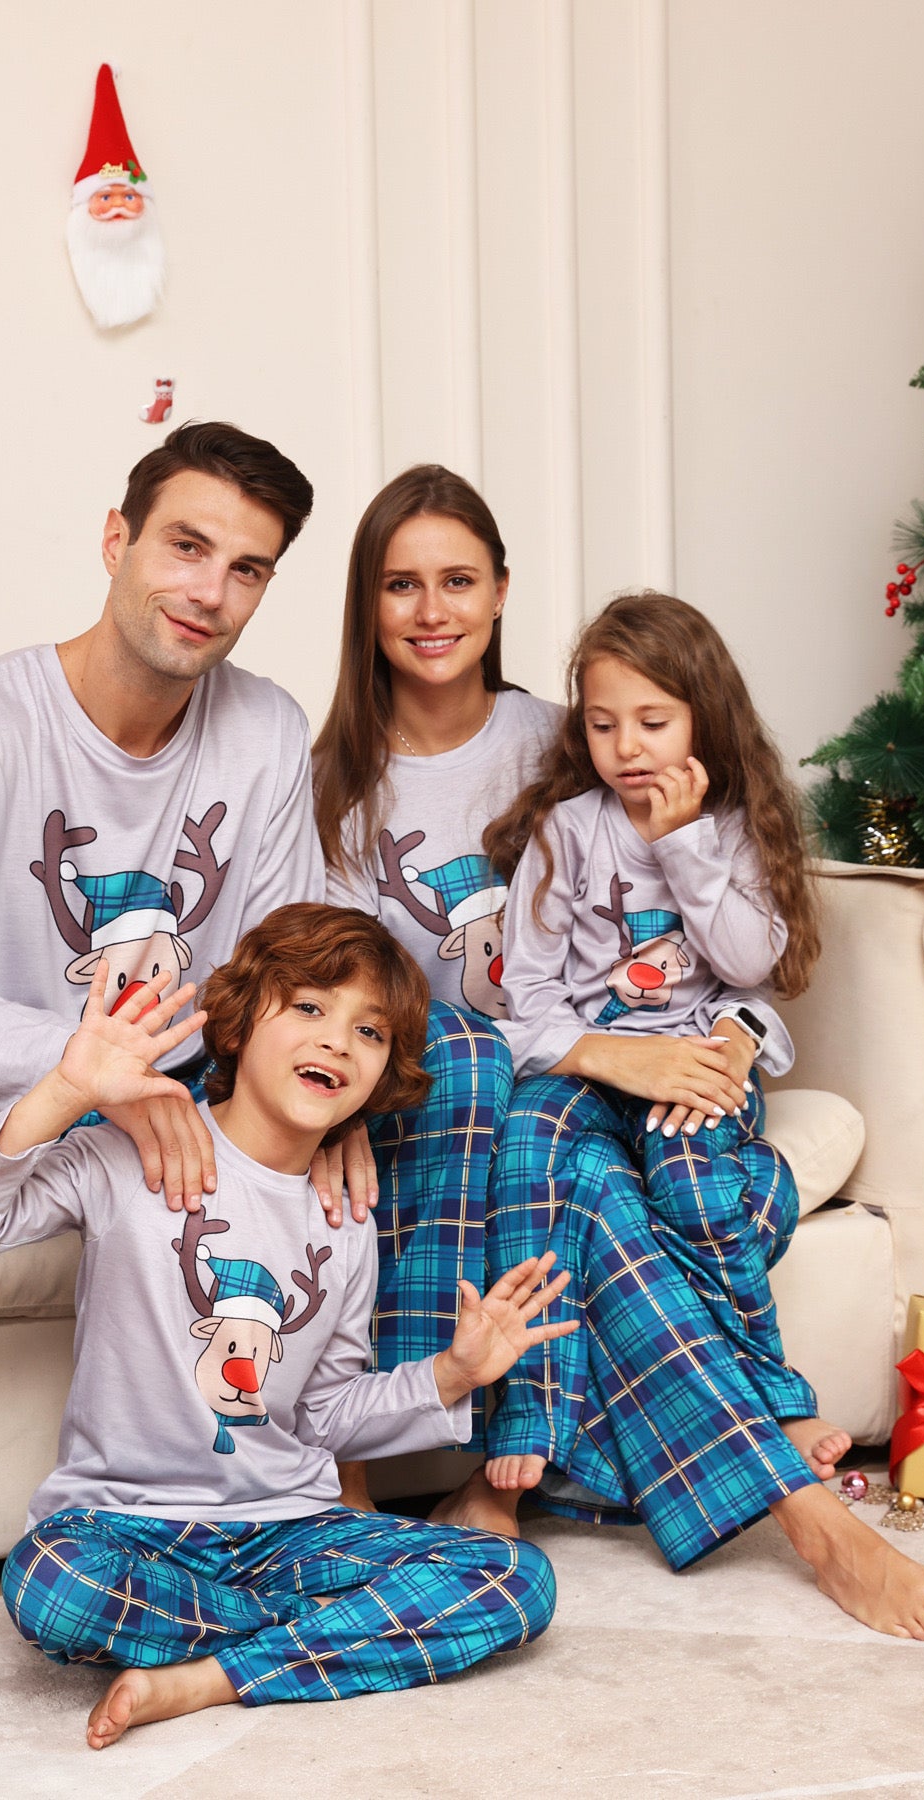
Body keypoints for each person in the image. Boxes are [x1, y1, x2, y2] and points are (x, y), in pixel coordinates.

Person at [0, 422, 373, 1712]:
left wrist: (321, 1102)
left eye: (249, 569)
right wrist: (72, 1063)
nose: (211, 590)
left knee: (442, 1071)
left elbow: (283, 965)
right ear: (117, 540)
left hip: (169, 1102)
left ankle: (361, 1494)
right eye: (187, 546)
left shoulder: (264, 732)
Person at [437, 592, 924, 1648]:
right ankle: (535, 1412)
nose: (627, 748)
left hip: (696, 1073)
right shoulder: (565, 832)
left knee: (688, 1171)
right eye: (601, 725)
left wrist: (685, 850)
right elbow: (530, 1007)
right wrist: (612, 1057)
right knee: (534, 1144)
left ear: (703, 720)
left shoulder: (731, 829)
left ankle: (767, 1391)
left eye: (654, 721)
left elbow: (752, 970)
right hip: (591, 1076)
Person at [0, 905, 571, 1748]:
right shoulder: (127, 1153)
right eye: (309, 1008)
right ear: (241, 1018)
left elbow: (324, 1416)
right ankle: (323, 1638)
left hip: (288, 1525)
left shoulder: (344, 1219)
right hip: (123, 1526)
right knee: (49, 1585)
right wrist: (68, 1089)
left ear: (380, 1076)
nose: (337, 1041)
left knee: (516, 1580)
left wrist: (452, 1374)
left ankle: (209, 1678)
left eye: (368, 1032)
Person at [313, 466, 560, 1503]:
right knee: (456, 1060)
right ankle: (361, 1471)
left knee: (547, 1119)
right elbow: (324, 966)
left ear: (500, 592)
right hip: (409, 1074)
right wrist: (343, 1101)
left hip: (549, 1055)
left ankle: (492, 1482)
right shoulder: (329, 773)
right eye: (400, 584)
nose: (430, 612)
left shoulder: (560, 742)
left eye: (456, 581)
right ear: (367, 605)